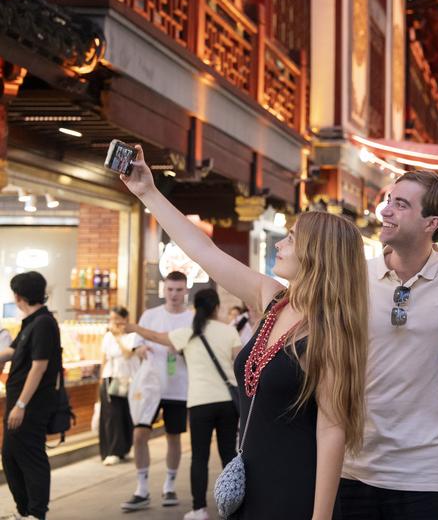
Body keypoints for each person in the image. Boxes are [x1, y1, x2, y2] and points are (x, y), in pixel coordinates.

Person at [120, 143, 367, 519]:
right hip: (247, 483)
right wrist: (147, 192)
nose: (281, 244)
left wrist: (321, 518)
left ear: (318, 253)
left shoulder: (329, 332)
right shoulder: (274, 299)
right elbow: (203, 250)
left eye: (292, 237)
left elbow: (331, 432)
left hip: (292, 490)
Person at [339, 170, 438, 519]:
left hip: (429, 474)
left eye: (401, 204)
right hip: (352, 467)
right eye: (388, 201)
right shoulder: (353, 275)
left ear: (432, 223)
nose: (386, 211)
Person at [125, 289, 243, 519]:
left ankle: (199, 509)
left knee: (199, 457)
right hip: (228, 402)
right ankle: (233, 508)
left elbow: (157, 337)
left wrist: (135, 328)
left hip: (200, 403)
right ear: (217, 307)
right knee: (229, 454)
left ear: (196, 308)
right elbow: (240, 363)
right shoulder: (229, 331)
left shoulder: (187, 333)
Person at [121, 271, 194, 511]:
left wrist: (182, 352)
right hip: (150, 387)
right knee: (139, 435)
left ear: (186, 291)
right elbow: (137, 344)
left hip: (178, 388)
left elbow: (195, 352)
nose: (174, 294)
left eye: (179, 290)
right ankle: (141, 489)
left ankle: (169, 486)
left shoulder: (191, 319)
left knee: (173, 437)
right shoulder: (150, 315)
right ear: (164, 289)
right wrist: (141, 351)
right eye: (170, 289)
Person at [0, 271, 63, 520]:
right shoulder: (31, 322)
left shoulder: (44, 323)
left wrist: (21, 404)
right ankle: (24, 510)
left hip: (32, 404)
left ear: (18, 296)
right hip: (20, 402)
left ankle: (36, 513)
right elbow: (10, 352)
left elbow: (39, 366)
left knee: (30, 456)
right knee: (11, 455)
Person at [100, 307, 139, 465]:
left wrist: (118, 338)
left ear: (126, 318)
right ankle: (112, 451)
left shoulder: (133, 336)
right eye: (112, 319)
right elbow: (103, 359)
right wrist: (99, 381)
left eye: (117, 318)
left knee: (127, 416)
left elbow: (128, 354)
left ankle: (124, 449)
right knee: (112, 416)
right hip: (111, 379)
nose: (114, 322)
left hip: (129, 380)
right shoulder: (107, 337)